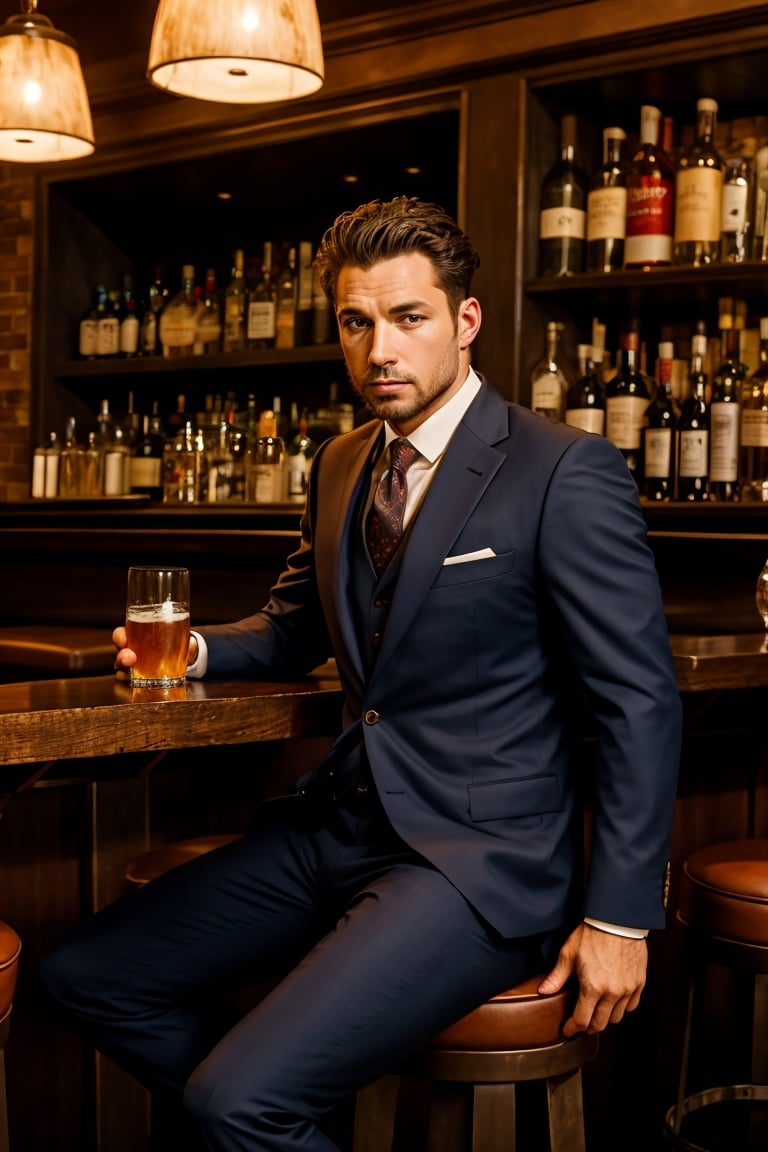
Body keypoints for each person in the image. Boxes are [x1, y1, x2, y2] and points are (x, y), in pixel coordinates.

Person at [40, 196, 682, 1152]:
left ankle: (257, 1106)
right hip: (337, 826)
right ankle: (279, 1107)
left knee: (234, 1104)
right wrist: (199, 652)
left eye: (407, 318)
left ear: (464, 323)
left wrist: (623, 917)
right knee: (81, 976)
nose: (379, 348)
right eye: (356, 321)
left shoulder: (563, 469)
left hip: (476, 863)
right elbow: (293, 623)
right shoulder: (342, 462)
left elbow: (638, 697)